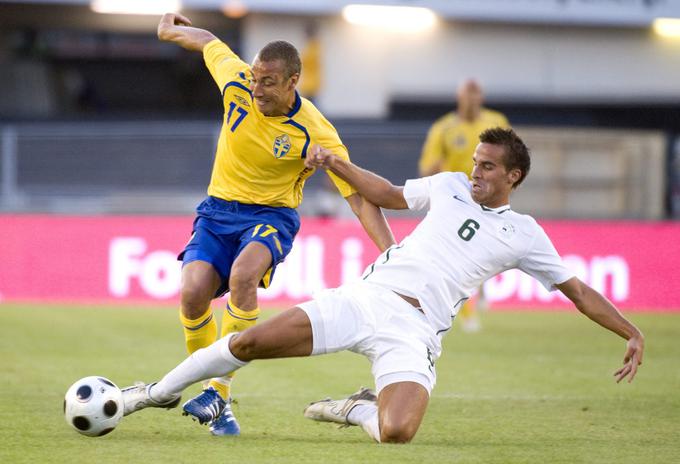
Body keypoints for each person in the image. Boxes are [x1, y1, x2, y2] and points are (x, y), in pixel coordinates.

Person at [120, 128, 644, 444]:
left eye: (487, 167)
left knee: (397, 433)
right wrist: (334, 162)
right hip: (366, 299)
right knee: (248, 343)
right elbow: (387, 193)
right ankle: (150, 395)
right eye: (475, 163)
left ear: (515, 177)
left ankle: (351, 408)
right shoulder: (448, 187)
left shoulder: (526, 234)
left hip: (416, 333)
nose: (475, 172)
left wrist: (629, 331)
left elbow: (578, 290)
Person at [154, 13, 395, 436]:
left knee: (244, 275)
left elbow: (358, 198)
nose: (256, 88)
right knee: (192, 293)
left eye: (267, 81)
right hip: (217, 211)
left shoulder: (316, 132)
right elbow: (209, 40)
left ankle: (218, 391)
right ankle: (218, 405)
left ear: (293, 81)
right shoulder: (236, 82)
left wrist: (394, 255)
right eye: (254, 78)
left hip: (271, 216)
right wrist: (170, 30)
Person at [419, 79, 510, 332]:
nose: (471, 99)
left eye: (475, 94)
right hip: (457, 199)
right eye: (466, 95)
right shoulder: (444, 128)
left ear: (480, 97)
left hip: (491, 198)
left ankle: (477, 292)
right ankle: (467, 311)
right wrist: (436, 170)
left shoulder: (497, 122)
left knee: (485, 251)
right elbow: (426, 166)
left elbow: (512, 159)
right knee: (462, 255)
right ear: (459, 98)